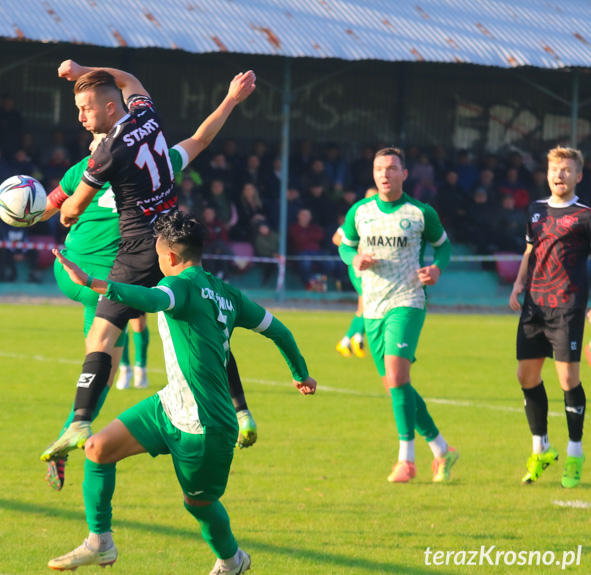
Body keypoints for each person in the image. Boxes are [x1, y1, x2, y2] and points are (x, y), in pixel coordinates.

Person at [48, 210, 316, 573]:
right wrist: (301, 374)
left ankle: (232, 560)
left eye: (158, 255)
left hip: (205, 425)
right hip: (170, 404)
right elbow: (279, 331)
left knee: (199, 504)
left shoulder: (180, 285)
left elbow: (151, 300)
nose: (157, 262)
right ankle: (100, 543)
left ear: (171, 257)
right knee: (97, 450)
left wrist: (95, 282)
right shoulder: (227, 293)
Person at [39, 69, 259, 491]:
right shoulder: (148, 119)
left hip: (138, 251)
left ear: (108, 107)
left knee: (102, 338)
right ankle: (242, 409)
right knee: (207, 326)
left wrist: (64, 207)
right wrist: (230, 99)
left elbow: (69, 210)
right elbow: (195, 135)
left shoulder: (103, 158)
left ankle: (80, 423)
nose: (81, 118)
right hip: (175, 241)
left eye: (86, 109)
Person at [339, 148, 459, 483]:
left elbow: (444, 246)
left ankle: (406, 460)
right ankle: (442, 450)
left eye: (392, 168)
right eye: (379, 169)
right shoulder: (359, 212)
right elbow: (344, 245)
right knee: (396, 384)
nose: (384, 174)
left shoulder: (420, 213)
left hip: (408, 301)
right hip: (373, 307)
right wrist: (353, 258)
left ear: (404, 174)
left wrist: (436, 268)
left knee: (396, 374)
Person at [508, 146, 587, 488]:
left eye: (566, 170)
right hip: (534, 306)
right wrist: (518, 282)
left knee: (568, 380)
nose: (559, 175)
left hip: (568, 308)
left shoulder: (585, 215)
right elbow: (530, 250)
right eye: (555, 169)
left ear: (578, 176)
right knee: (526, 377)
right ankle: (541, 448)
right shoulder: (536, 210)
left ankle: (575, 454)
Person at [333, 186, 378, 358]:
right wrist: (356, 251)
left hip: (371, 267)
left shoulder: (380, 219)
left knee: (365, 306)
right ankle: (347, 340)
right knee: (367, 305)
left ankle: (356, 339)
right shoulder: (360, 215)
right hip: (359, 268)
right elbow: (336, 238)